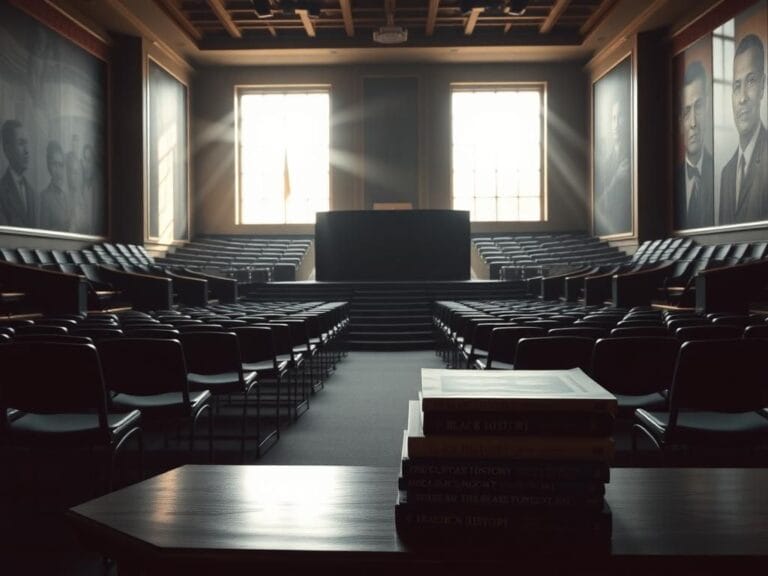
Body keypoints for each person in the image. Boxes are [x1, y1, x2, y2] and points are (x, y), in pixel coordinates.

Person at [719, 33, 768, 225]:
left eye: (751, 81)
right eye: (737, 85)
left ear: (763, 86)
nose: (742, 98)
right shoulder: (726, 174)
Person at [676, 60, 714, 229]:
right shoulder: (672, 181)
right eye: (686, 112)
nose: (693, 123)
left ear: (707, 108)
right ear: (679, 123)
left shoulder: (721, 173)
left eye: (698, 107)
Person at [596, 98, 631, 236]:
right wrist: (616, 179)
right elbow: (599, 205)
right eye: (613, 118)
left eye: (620, 117)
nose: (616, 124)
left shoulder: (632, 156)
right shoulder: (605, 164)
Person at [0, 119, 37, 228]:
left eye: (27, 143)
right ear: (7, 149)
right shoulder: (1, 191)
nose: (27, 151)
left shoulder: (31, 192)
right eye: (21, 143)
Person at [39, 140, 72, 231]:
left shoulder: (68, 195)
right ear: (48, 165)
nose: (58, 170)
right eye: (54, 164)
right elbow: (43, 231)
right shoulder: (44, 197)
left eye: (61, 165)